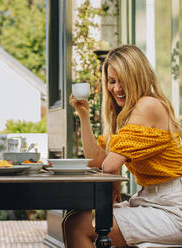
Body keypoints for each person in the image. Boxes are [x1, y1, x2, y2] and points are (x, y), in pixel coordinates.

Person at [67, 45, 182, 247]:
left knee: (78, 226)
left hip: (172, 207)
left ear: (138, 79)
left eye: (124, 82)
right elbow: (97, 161)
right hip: (150, 199)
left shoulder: (147, 105)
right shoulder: (128, 114)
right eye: (112, 81)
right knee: (74, 218)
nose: (117, 89)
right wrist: (83, 115)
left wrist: (112, 176)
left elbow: (109, 166)